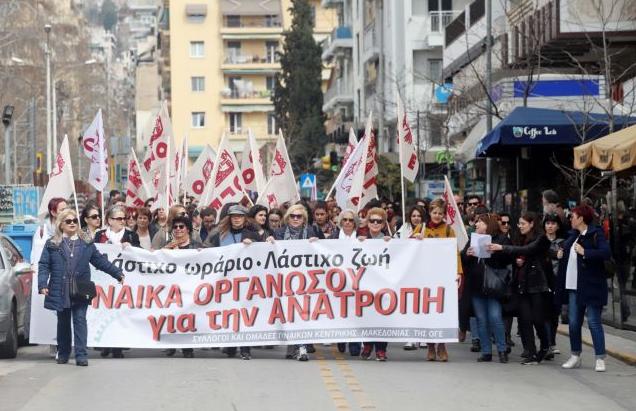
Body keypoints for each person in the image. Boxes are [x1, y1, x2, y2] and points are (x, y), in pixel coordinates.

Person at [38, 209, 124, 366]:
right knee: (63, 322)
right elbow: (44, 265)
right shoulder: (52, 243)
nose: (72, 223)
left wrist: (117, 273)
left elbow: (100, 261)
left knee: (79, 320)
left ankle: (81, 355)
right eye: (68, 221)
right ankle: (63, 353)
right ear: (61, 224)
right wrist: (42, 283)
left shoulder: (86, 243)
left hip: (80, 289)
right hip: (60, 288)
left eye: (75, 221)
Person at [488, 212, 552, 365]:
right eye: (519, 224)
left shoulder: (541, 239)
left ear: (531, 224)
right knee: (525, 320)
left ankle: (545, 346)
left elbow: (528, 250)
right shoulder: (519, 238)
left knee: (538, 319)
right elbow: (515, 253)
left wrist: (502, 247)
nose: (520, 226)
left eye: (523, 223)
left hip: (536, 286)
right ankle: (531, 352)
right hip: (521, 285)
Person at [557, 205, 611, 372]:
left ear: (581, 218)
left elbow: (606, 253)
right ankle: (575, 355)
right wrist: (560, 253)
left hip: (592, 285)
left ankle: (600, 357)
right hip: (573, 286)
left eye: (573, 216)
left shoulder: (596, 233)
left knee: (594, 321)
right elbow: (566, 254)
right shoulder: (572, 236)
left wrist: (585, 251)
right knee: (573, 323)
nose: (570, 219)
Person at [267, 204, 320, 361]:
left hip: (305, 280)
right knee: (289, 313)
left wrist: (317, 244)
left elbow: (324, 252)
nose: (295, 219)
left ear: (304, 219)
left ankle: (301, 347)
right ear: (287, 218)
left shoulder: (311, 232)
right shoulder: (278, 233)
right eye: (292, 216)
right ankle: (293, 347)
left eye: (299, 216)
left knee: (301, 312)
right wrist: (269, 242)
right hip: (284, 280)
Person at [414, 199, 463, 362]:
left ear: (444, 215)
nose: (437, 216)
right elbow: (408, 251)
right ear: (429, 212)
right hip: (424, 277)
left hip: (443, 277)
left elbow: (455, 252)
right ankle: (429, 347)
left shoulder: (449, 230)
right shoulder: (420, 228)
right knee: (427, 312)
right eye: (434, 213)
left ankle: (441, 345)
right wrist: (415, 239)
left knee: (442, 311)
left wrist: (458, 272)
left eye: (440, 213)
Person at [461, 213, 512, 363]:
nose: (476, 225)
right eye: (476, 222)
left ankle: (502, 350)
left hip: (493, 286)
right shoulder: (472, 239)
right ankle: (486, 351)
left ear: (489, 225)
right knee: (481, 319)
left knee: (495, 317)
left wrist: (496, 252)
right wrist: (468, 254)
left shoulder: (501, 239)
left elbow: (509, 258)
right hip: (477, 286)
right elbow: (463, 259)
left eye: (480, 222)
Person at [207, 205, 254, 359]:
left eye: (239, 216)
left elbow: (264, 251)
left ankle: (245, 349)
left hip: (246, 281)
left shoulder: (253, 235)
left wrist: (253, 244)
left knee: (244, 313)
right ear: (229, 218)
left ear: (244, 218)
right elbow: (208, 251)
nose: (236, 219)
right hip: (225, 282)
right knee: (229, 314)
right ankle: (231, 346)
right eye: (233, 216)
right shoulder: (220, 235)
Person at [94, 205, 141, 358]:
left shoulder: (131, 235)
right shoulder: (100, 235)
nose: (122, 221)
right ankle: (105, 344)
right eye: (118, 218)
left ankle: (118, 347)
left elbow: (140, 254)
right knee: (104, 311)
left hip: (124, 278)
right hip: (103, 279)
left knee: (120, 311)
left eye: (124, 218)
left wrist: (132, 247)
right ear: (109, 220)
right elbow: (92, 252)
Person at [163, 215, 202, 358]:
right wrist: (164, 251)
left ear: (188, 229)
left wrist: (202, 254)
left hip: (190, 287)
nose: (178, 229)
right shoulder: (168, 245)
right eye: (175, 227)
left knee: (188, 317)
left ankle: (187, 347)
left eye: (181, 227)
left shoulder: (197, 246)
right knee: (172, 316)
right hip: (172, 288)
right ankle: (171, 345)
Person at [358, 207, 392, 361]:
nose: (375, 223)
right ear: (368, 222)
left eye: (379, 221)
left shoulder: (389, 240)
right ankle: (368, 345)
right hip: (365, 284)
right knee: (367, 315)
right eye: (372, 220)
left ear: (384, 224)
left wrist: (391, 244)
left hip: (383, 285)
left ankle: (381, 349)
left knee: (382, 317)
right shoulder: (361, 239)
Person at [332, 209, 362, 356]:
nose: (348, 222)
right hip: (338, 279)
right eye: (345, 220)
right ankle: (341, 338)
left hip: (357, 279)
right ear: (341, 222)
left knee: (355, 310)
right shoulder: (333, 237)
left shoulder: (363, 237)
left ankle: (355, 342)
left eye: (351, 220)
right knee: (340, 310)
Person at [544, 213, 564, 358]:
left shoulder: (563, 242)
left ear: (557, 225)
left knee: (554, 314)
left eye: (553, 223)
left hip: (557, 281)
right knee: (543, 314)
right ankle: (547, 344)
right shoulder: (540, 240)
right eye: (548, 223)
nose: (550, 226)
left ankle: (552, 342)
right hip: (542, 281)